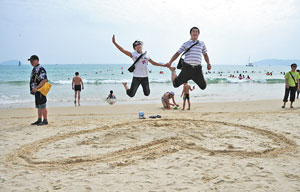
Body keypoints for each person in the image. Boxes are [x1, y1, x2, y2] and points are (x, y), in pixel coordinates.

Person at [29, 55, 48, 126]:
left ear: (37, 60)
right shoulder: (35, 68)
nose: (31, 62)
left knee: (42, 105)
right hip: (37, 91)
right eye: (30, 61)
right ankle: (39, 119)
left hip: (40, 90)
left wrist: (36, 87)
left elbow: (44, 80)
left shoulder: (41, 69)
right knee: (38, 106)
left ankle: (45, 120)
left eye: (32, 60)